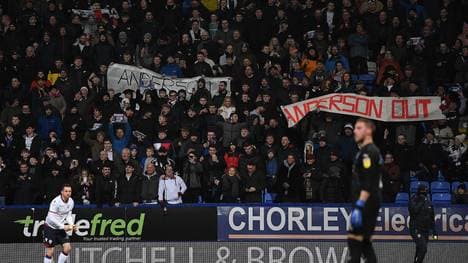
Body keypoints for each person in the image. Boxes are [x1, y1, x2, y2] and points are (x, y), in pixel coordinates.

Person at [348, 118, 383, 263]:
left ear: (369, 130)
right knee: (364, 242)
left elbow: (369, 181)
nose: (355, 131)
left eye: (359, 128)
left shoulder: (369, 152)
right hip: (368, 201)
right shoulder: (365, 151)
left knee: (355, 240)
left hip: (367, 202)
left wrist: (360, 205)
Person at [43, 184, 76, 263]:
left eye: (70, 191)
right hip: (50, 227)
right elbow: (51, 218)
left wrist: (71, 225)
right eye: (66, 191)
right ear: (61, 192)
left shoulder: (71, 201)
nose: (68, 193)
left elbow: (68, 214)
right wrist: (63, 227)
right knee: (50, 252)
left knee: (67, 248)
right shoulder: (55, 202)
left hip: (60, 228)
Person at [409, 184, 438, 263]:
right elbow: (414, 211)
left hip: (425, 230)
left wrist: (434, 231)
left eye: (424, 192)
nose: (423, 194)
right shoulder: (413, 199)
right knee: (423, 248)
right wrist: (421, 201)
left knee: (419, 249)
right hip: (415, 228)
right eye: (422, 192)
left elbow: (431, 217)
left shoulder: (429, 202)